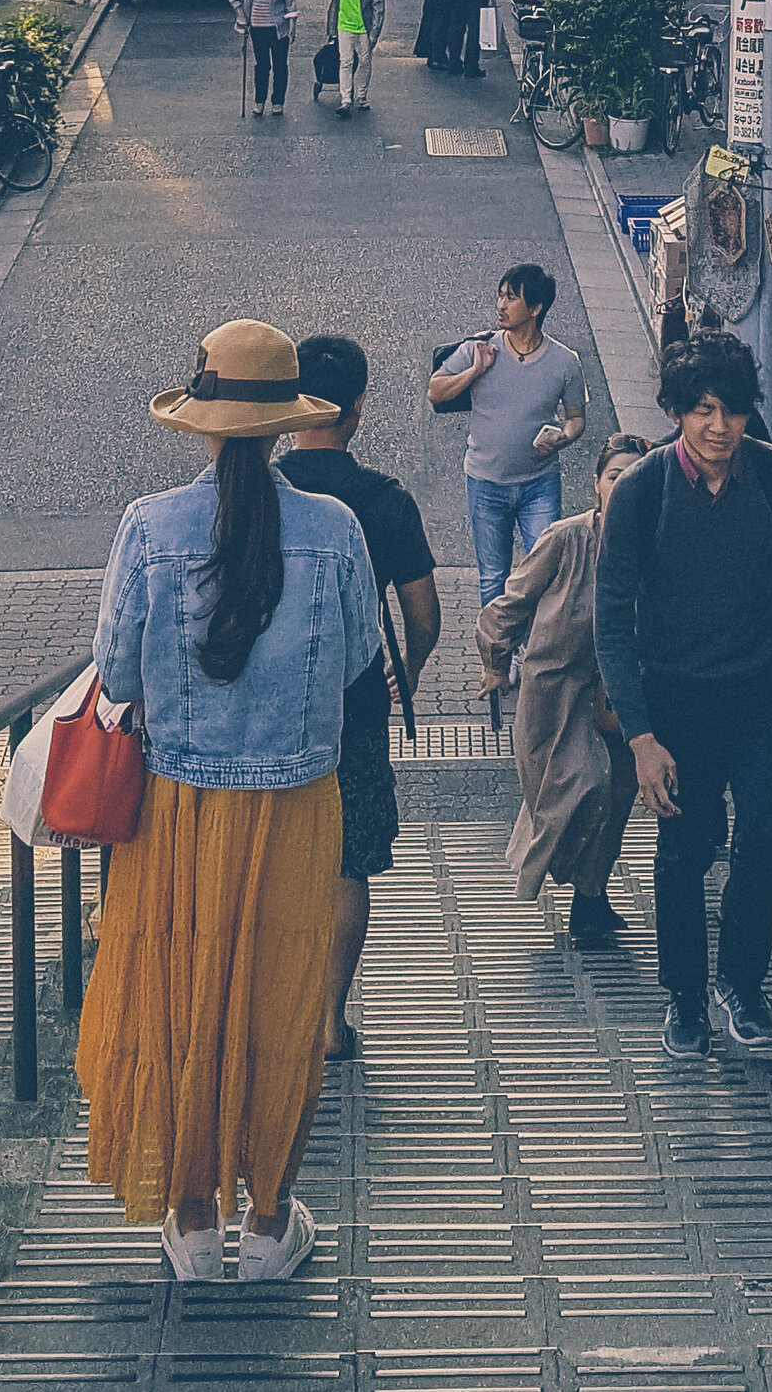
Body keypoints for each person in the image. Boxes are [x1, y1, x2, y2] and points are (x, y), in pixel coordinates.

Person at [79, 318, 381, 1288]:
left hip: (178, 808)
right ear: (289, 423)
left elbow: (118, 669)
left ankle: (193, 1216)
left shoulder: (150, 526)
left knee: (184, 1001)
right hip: (297, 809)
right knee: (279, 1006)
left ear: (204, 421)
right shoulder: (335, 531)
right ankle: (269, 1218)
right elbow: (360, 660)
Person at [596, 330, 772, 1061]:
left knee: (764, 840)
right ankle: (684, 995)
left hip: (764, 694)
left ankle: (741, 981)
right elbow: (611, 619)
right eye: (702, 410)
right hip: (675, 703)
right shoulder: (640, 491)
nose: (718, 427)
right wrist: (640, 736)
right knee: (683, 849)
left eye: (732, 411)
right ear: (675, 411)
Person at [280, 332, 440, 1058]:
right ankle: (325, 1020)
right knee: (346, 859)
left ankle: (270, 1002)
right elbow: (425, 616)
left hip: (269, 702)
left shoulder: (262, 489)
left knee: (276, 851)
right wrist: (401, 668)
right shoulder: (384, 499)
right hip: (355, 701)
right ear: (359, 408)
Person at [480, 430, 648, 948]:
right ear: (596, 483)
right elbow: (504, 609)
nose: (624, 486)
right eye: (616, 476)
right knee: (583, 785)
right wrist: (495, 663)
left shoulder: (659, 542)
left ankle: (590, 900)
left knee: (618, 795)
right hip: (555, 695)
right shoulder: (564, 539)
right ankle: (573, 886)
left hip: (621, 694)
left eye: (637, 478)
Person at [429, 263, 586, 610]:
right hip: (485, 482)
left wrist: (563, 437)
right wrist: (474, 370)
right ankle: (497, 658)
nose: (501, 304)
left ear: (535, 308)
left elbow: (576, 418)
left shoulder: (565, 362)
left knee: (543, 574)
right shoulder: (480, 348)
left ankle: (532, 653)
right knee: (492, 579)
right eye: (500, 295)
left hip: (539, 483)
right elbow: (436, 392)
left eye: (511, 298)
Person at [230, 0, 295, 118]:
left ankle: (278, 102)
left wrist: (292, 28)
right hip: (257, 29)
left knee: (280, 66)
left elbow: (290, 6)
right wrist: (241, 15)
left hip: (278, 29)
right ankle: (259, 101)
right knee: (262, 66)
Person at [324, 0, 385, 116]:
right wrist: (332, 28)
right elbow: (335, 1)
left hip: (363, 27)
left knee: (365, 62)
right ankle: (345, 100)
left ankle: (361, 97)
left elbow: (378, 5)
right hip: (344, 25)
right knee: (346, 62)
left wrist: (375, 31)